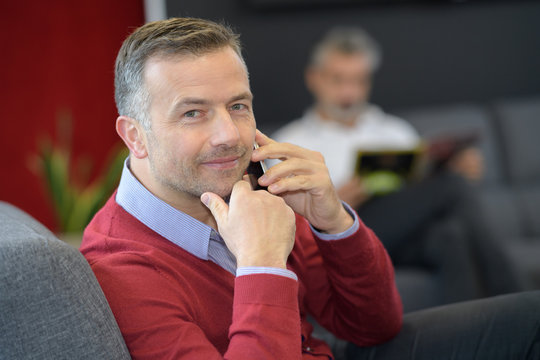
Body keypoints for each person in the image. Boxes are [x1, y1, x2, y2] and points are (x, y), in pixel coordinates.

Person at [80, 17, 540, 360]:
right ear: (134, 136)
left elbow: (374, 325)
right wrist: (261, 263)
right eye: (192, 113)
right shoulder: (120, 268)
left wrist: (333, 219)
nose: (228, 135)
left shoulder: (257, 191)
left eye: (238, 105)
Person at [272, 27, 523, 308]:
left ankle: (467, 338)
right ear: (314, 78)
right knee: (452, 187)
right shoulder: (291, 141)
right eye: (338, 80)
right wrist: (337, 199)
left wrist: (452, 168)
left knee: (451, 236)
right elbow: (284, 223)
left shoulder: (394, 130)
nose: (348, 92)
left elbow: (425, 189)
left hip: (406, 233)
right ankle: (518, 298)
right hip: (350, 229)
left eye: (358, 81)